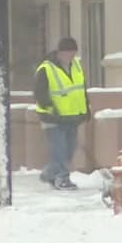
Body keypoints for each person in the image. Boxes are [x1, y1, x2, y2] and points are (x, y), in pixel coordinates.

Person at [34, 37, 90, 190]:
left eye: (73, 53)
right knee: (60, 150)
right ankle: (62, 179)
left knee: (69, 150)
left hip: (72, 116)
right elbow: (40, 93)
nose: (71, 56)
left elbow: (80, 90)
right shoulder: (46, 68)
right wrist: (50, 108)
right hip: (52, 118)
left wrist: (86, 109)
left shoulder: (76, 66)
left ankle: (49, 174)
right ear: (60, 53)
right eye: (68, 53)